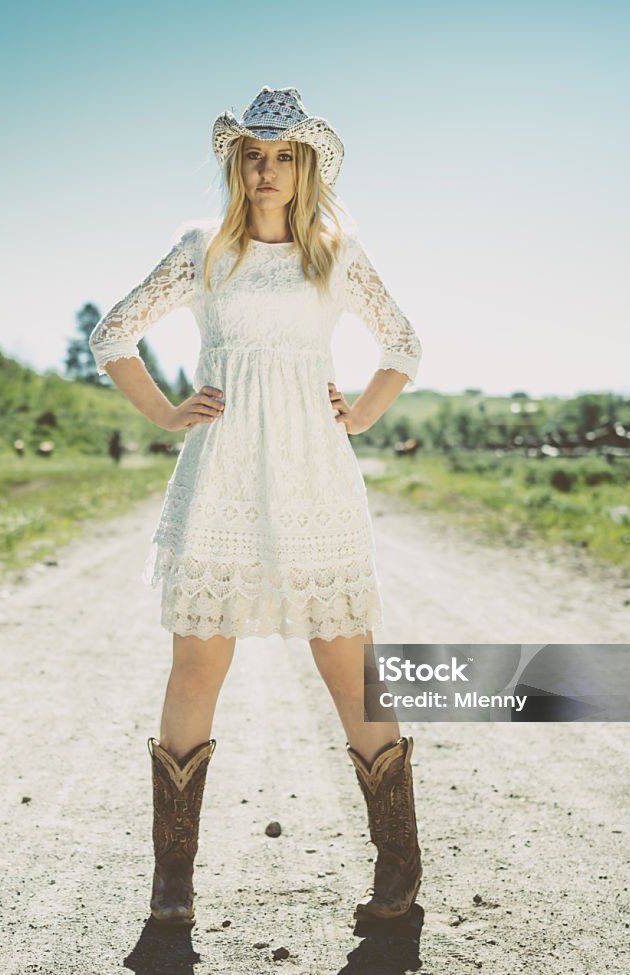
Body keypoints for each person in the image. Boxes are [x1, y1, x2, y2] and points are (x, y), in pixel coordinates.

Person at [88, 86, 423, 929]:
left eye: (281, 156)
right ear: (235, 164)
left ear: (306, 167)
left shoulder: (336, 255)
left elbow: (403, 345)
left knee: (349, 670)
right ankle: (173, 882)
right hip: (223, 477)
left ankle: (399, 864)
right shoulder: (201, 250)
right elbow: (113, 335)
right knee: (197, 665)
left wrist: (362, 412)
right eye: (251, 154)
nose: (265, 170)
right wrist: (167, 412)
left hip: (315, 478)